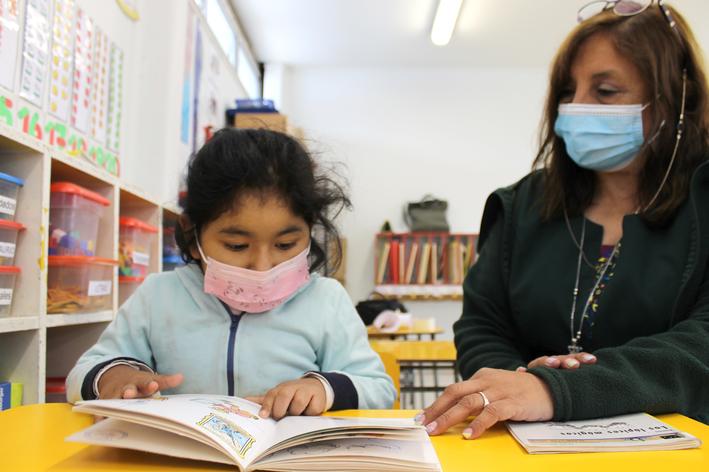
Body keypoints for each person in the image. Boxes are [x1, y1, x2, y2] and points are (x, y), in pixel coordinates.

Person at [417, 0, 709, 439]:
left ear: (676, 98)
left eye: (605, 91)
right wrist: (513, 389)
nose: (576, 108)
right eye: (568, 93)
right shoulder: (522, 204)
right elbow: (482, 324)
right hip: (522, 443)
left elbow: (701, 344)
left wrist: (556, 389)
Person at [66, 128, 397, 419]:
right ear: (193, 235)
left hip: (284, 458)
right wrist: (114, 376)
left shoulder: (326, 301)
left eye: (285, 244)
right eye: (237, 246)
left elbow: (378, 388)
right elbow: (81, 374)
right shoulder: (158, 296)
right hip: (183, 457)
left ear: (309, 232)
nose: (263, 266)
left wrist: (323, 389)